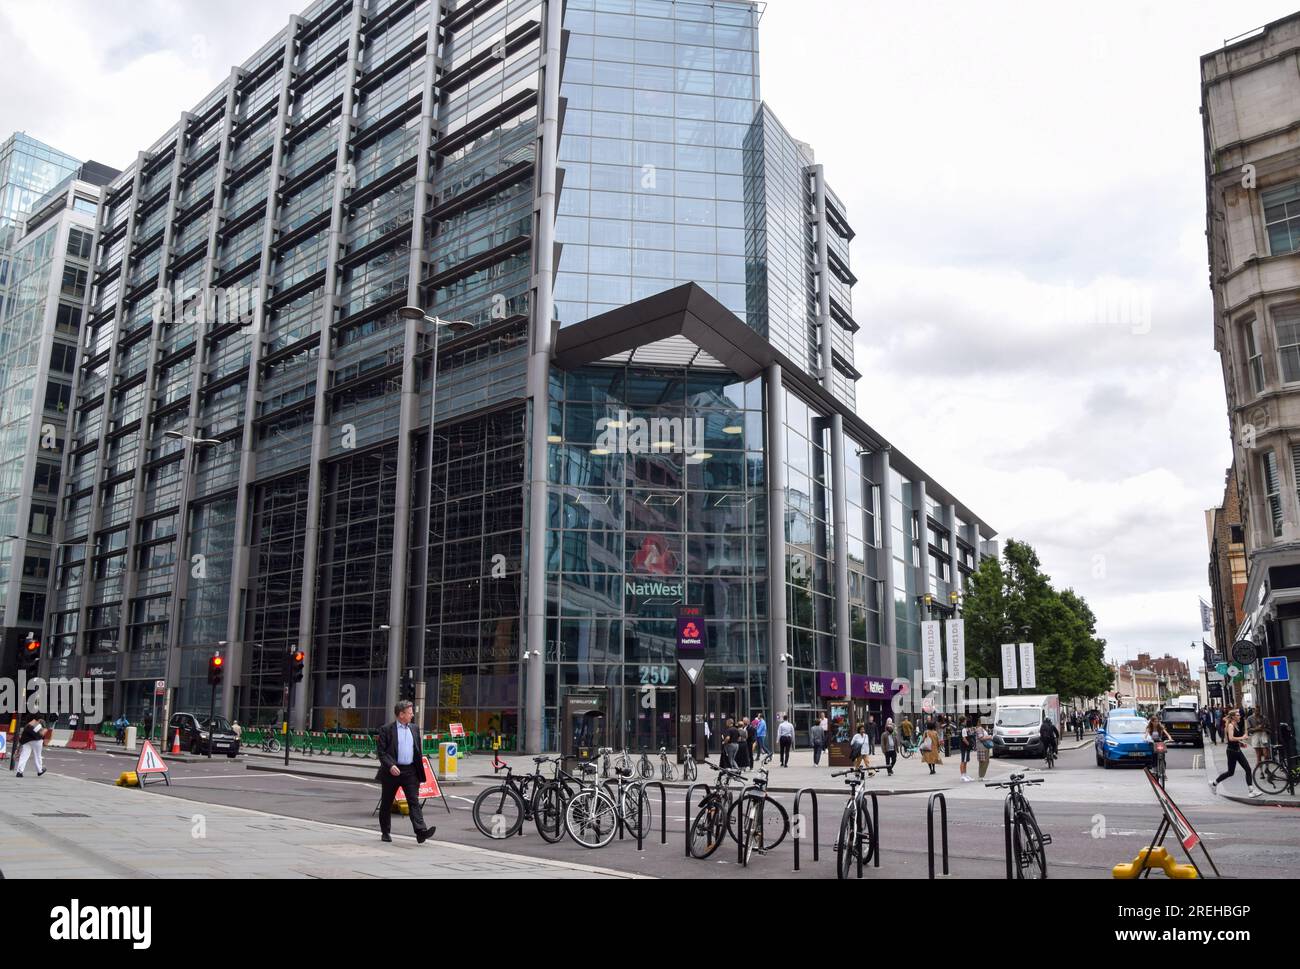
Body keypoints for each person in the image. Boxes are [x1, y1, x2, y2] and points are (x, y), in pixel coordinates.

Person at [374, 700, 435, 843]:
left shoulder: (414, 728)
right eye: (410, 712)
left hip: (410, 771)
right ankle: (385, 832)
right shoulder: (386, 729)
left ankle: (421, 832)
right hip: (392, 771)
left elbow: (417, 750)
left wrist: (418, 769)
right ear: (401, 714)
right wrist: (390, 765)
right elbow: (381, 752)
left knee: (414, 802)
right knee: (387, 803)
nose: (412, 715)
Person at [1212, 709, 1263, 797]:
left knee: (1247, 769)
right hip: (1232, 752)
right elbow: (1231, 738)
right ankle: (1214, 783)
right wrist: (1242, 737)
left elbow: (1234, 739)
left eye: (1239, 715)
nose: (1240, 716)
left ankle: (1251, 791)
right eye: (1238, 715)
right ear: (1233, 717)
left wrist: (1241, 743)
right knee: (1230, 772)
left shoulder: (1236, 725)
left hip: (1237, 750)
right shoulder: (1231, 726)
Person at [959, 714, 978, 782]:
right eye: (965, 720)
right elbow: (964, 739)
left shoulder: (962, 728)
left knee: (965, 761)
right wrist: (969, 745)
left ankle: (965, 774)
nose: (966, 721)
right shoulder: (963, 728)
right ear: (964, 721)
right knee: (963, 761)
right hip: (965, 747)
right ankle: (962, 775)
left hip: (964, 747)